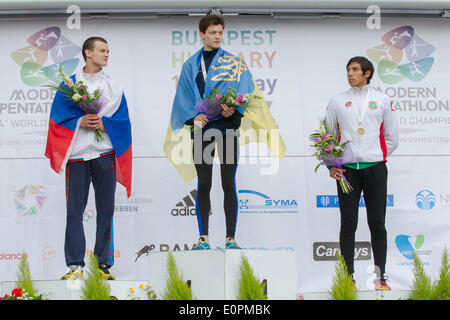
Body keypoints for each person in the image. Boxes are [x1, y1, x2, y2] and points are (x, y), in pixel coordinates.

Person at [164, 14, 285, 250]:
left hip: (228, 128)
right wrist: (193, 116)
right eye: (212, 33)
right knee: (204, 182)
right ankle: (203, 238)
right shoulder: (190, 64)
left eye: (220, 32)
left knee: (228, 182)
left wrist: (235, 110)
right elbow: (183, 97)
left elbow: (247, 93)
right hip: (201, 129)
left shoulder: (234, 63)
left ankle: (231, 238)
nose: (217, 36)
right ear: (202, 35)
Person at [45, 37, 132, 280]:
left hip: (105, 154)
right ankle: (75, 265)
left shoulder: (114, 87)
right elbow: (57, 120)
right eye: (102, 50)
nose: (106, 54)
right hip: (77, 156)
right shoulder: (69, 85)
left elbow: (123, 122)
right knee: (74, 211)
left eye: (108, 51)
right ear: (88, 53)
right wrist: (79, 121)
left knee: (106, 211)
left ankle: (103, 266)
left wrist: (107, 123)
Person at [325, 56, 399, 290]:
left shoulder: (382, 99)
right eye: (348, 70)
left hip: (375, 168)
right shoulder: (337, 100)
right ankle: (349, 279)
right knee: (348, 223)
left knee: (377, 223)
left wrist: (376, 155)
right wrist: (331, 164)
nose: (350, 73)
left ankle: (381, 278)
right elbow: (327, 136)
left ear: (367, 73)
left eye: (355, 70)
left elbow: (392, 136)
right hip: (347, 171)